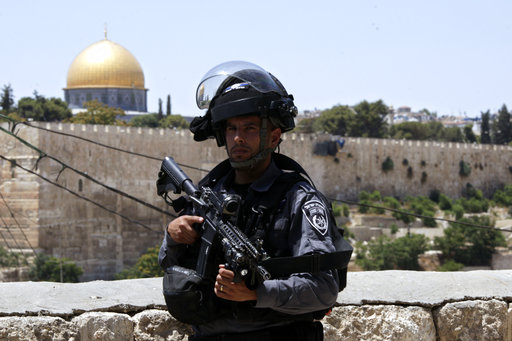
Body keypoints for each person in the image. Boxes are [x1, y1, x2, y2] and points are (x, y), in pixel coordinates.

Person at [158, 61, 350, 341]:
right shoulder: (210, 193)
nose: (237, 138)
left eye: (249, 128)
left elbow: (323, 289)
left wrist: (257, 293)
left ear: (273, 137)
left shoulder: (297, 199)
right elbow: (170, 265)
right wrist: (174, 237)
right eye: (231, 128)